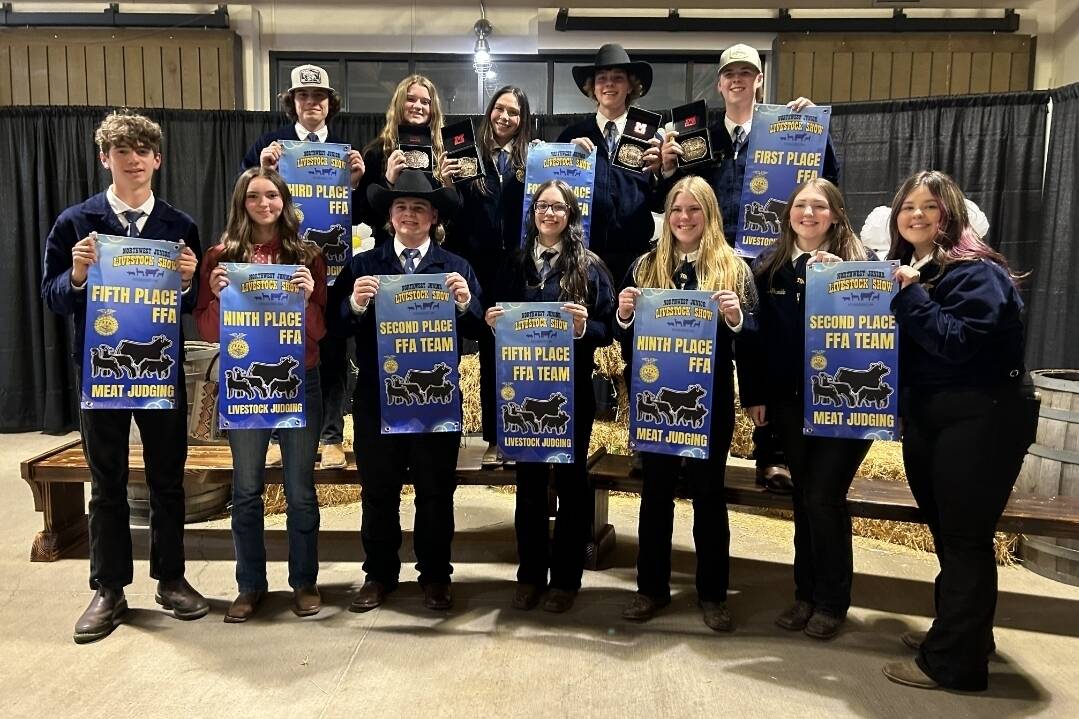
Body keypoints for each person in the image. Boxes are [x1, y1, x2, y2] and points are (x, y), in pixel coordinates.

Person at [41, 110, 208, 643]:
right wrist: (78, 275)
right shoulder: (76, 222)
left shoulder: (179, 226)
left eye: (142, 151)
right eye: (121, 152)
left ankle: (172, 579)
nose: (132, 160)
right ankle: (108, 588)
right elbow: (52, 297)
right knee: (107, 483)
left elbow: (194, 305)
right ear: (104, 159)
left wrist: (187, 283)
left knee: (167, 480)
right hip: (102, 376)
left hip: (161, 374)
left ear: (157, 159)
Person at [659, 43, 841, 495]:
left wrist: (812, 127)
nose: (737, 80)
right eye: (729, 74)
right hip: (711, 254)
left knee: (771, 346)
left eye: (746, 72)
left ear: (759, 79)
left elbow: (825, 177)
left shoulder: (786, 126)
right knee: (698, 349)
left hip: (770, 254)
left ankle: (773, 453)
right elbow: (672, 195)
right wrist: (665, 165)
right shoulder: (698, 135)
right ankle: (683, 445)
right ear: (719, 83)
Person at [881, 170, 1033, 691]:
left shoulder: (976, 271)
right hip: (936, 414)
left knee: (965, 538)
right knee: (951, 535)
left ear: (952, 214)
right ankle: (962, 632)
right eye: (908, 208)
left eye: (930, 207)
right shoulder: (921, 270)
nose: (918, 215)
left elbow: (958, 342)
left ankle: (954, 665)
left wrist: (910, 299)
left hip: (980, 415)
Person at [330, 169, 483, 613]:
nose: (409, 215)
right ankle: (379, 575)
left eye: (419, 208)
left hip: (436, 399)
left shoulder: (456, 268)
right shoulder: (364, 266)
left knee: (436, 492)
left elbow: (480, 329)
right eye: (401, 207)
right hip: (377, 399)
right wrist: (355, 302)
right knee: (379, 491)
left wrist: (465, 303)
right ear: (389, 216)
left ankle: (435, 575)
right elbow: (337, 326)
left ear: (434, 216)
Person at [614, 176, 757, 631]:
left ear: (709, 214)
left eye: (694, 210)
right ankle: (649, 589)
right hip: (656, 400)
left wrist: (737, 318)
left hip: (709, 402)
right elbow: (622, 333)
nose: (684, 218)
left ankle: (713, 595)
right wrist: (623, 313)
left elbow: (756, 336)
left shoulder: (734, 268)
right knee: (655, 497)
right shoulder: (643, 265)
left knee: (708, 499)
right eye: (677, 209)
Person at [194, 167, 327, 622]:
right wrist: (213, 297)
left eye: (272, 195)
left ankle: (304, 581)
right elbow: (210, 330)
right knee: (247, 490)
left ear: (284, 201)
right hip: (243, 381)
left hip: (298, 379)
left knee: (300, 491)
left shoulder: (308, 255)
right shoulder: (220, 256)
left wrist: (309, 298)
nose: (264, 203)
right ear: (241, 202)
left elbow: (319, 332)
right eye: (254, 196)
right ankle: (249, 585)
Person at [743, 178, 872, 641]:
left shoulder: (863, 267)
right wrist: (754, 395)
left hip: (845, 405)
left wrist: (842, 283)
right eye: (801, 205)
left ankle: (832, 602)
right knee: (804, 497)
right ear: (789, 214)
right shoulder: (768, 267)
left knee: (823, 496)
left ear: (835, 214)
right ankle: (805, 594)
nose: (809, 213)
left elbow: (884, 335)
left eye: (819, 206)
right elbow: (752, 340)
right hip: (789, 401)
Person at [485, 180, 615, 612]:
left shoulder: (590, 267)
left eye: (559, 207)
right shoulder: (515, 263)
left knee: (573, 485)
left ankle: (565, 580)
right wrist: (491, 319)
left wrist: (584, 329)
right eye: (543, 205)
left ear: (571, 214)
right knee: (529, 486)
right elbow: (494, 314)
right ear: (533, 211)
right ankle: (530, 576)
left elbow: (609, 328)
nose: (550, 214)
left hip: (571, 393)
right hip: (523, 391)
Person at [241, 63, 363, 472]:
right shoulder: (268, 144)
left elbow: (361, 216)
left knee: (331, 351)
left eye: (319, 97)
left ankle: (331, 436)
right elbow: (246, 197)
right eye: (304, 96)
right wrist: (261, 167)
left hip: (331, 267)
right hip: (280, 264)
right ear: (292, 103)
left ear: (331, 104)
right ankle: (280, 433)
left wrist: (359, 184)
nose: (312, 103)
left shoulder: (346, 149)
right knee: (279, 350)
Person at [441, 85, 532, 468]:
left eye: (514, 112)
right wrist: (445, 182)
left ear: (522, 120)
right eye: (500, 109)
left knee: (502, 352)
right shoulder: (466, 154)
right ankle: (444, 435)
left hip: (513, 267)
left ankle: (500, 437)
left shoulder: (532, 158)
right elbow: (448, 213)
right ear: (489, 111)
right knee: (455, 346)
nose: (505, 117)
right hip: (469, 263)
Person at [556, 43, 662, 285]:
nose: (609, 84)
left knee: (628, 319)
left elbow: (660, 202)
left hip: (635, 257)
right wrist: (564, 158)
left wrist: (662, 173)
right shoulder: (571, 137)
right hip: (582, 255)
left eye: (618, 78)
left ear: (630, 86)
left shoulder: (650, 137)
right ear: (593, 87)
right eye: (602, 78)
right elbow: (555, 194)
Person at [357, 75, 447, 247]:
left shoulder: (443, 153)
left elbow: (454, 213)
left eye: (425, 102)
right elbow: (365, 216)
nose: (418, 106)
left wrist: (449, 184)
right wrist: (388, 181)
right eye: (411, 99)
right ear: (399, 104)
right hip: (387, 250)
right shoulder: (376, 152)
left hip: (433, 249)